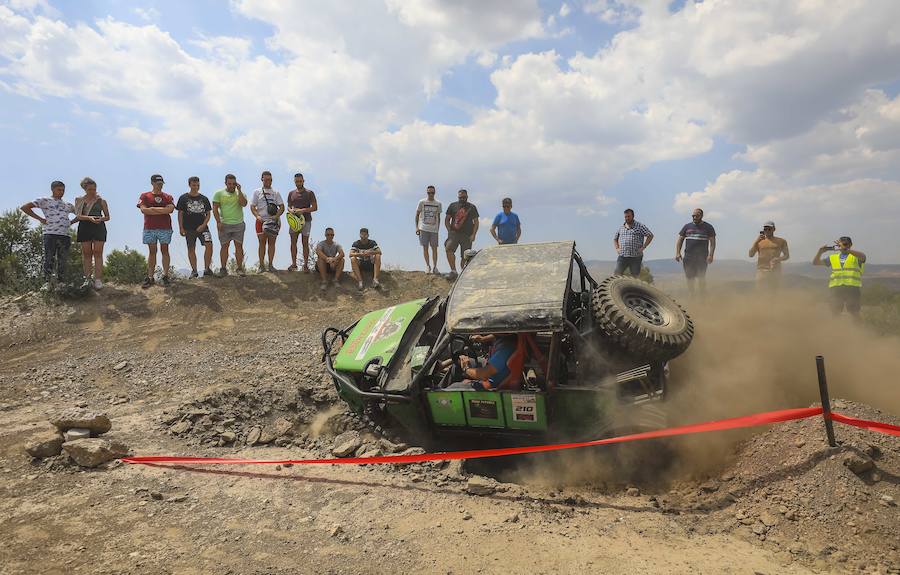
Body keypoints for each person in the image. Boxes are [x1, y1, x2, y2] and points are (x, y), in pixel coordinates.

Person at [20, 181, 76, 289]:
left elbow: (80, 214)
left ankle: (61, 283)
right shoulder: (44, 200)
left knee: (63, 259)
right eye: (59, 189)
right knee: (49, 257)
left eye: (63, 190)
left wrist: (72, 222)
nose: (62, 192)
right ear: (53, 189)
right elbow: (25, 207)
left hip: (65, 235)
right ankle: (47, 283)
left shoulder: (68, 205)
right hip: (50, 233)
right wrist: (40, 219)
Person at [137, 174, 175, 289]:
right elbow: (143, 210)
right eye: (158, 183)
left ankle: (165, 276)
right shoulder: (145, 196)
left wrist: (152, 209)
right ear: (152, 183)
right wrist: (162, 210)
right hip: (150, 228)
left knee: (165, 250)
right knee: (152, 252)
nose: (160, 185)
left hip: (165, 227)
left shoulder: (168, 196)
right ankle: (150, 277)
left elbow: (171, 209)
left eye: (161, 183)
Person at [813, 236, 866, 319]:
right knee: (835, 312)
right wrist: (820, 252)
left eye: (845, 244)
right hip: (836, 288)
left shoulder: (857, 257)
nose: (843, 246)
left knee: (854, 312)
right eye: (841, 245)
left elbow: (863, 256)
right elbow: (815, 262)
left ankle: (859, 330)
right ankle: (836, 330)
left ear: (850, 245)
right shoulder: (833, 257)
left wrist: (846, 249)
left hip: (852, 288)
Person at [445, 334, 518, 390]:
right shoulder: (507, 337)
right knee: (456, 365)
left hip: (491, 384)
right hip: (492, 366)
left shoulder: (505, 349)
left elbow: (483, 375)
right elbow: (495, 335)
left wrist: (466, 368)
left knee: (453, 388)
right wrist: (483, 339)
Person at [74, 177, 110, 290]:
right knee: (86, 253)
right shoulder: (79, 200)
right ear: (85, 189)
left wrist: (100, 219)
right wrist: (89, 218)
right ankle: (87, 279)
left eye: (94, 189)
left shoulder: (101, 200)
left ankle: (98, 279)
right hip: (85, 226)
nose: (92, 191)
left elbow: (107, 217)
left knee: (98, 252)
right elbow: (78, 216)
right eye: (90, 189)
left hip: (98, 226)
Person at [176, 176, 214, 278]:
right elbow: (180, 213)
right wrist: (181, 227)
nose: (196, 187)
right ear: (189, 185)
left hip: (203, 227)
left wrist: (203, 225)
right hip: (188, 228)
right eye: (194, 185)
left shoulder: (204, 198)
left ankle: (207, 269)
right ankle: (194, 271)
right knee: (191, 248)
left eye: (198, 185)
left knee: (209, 245)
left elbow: (208, 214)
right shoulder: (183, 198)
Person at [212, 174, 248, 277]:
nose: (231, 185)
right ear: (225, 183)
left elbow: (244, 204)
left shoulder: (240, 193)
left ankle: (240, 268)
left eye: (233, 183)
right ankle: (223, 269)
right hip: (224, 224)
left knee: (239, 246)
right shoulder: (218, 193)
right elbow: (215, 209)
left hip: (238, 224)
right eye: (229, 183)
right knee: (224, 246)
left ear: (236, 183)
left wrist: (239, 191)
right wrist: (218, 222)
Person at [675, 208, 716, 297]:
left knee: (701, 278)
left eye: (697, 216)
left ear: (701, 216)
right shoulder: (687, 226)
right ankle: (691, 295)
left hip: (702, 257)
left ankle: (702, 296)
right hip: (688, 257)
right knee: (690, 278)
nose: (694, 217)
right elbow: (680, 240)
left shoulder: (708, 227)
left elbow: (712, 242)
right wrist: (678, 253)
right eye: (693, 216)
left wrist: (711, 255)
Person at [250, 171, 285, 272]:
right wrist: (257, 216)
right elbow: (252, 206)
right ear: (262, 179)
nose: (268, 181)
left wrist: (276, 216)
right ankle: (261, 265)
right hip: (261, 220)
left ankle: (270, 265)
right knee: (261, 243)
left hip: (273, 221)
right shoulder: (257, 192)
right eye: (266, 179)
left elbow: (282, 207)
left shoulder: (276, 193)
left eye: (270, 179)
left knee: (272, 243)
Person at [444, 188, 479, 280]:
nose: (462, 199)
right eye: (460, 197)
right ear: (458, 197)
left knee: (466, 256)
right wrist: (449, 231)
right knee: (448, 249)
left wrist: (474, 234)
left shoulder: (472, 207)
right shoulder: (452, 205)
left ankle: (463, 275)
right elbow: (447, 219)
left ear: (467, 197)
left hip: (467, 235)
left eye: (463, 197)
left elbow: (476, 222)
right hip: (454, 233)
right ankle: (453, 271)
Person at [286, 173, 318, 272]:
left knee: (305, 243)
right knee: (293, 242)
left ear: (303, 181)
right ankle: (294, 264)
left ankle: (305, 265)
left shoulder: (309, 193)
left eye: (300, 181)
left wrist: (303, 210)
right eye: (296, 181)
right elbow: (288, 206)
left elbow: (315, 207)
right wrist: (290, 210)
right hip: (294, 222)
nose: (298, 183)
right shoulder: (291, 193)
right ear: (294, 181)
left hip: (306, 221)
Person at [749, 221, 789, 291]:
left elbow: (787, 255)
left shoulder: (781, 241)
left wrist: (778, 259)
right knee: (760, 292)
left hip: (775, 271)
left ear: (774, 229)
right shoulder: (759, 241)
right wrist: (756, 241)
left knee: (774, 293)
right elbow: (751, 254)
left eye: (769, 229)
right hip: (761, 270)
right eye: (765, 229)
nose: (767, 231)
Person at [613, 208, 653, 276]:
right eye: (625, 217)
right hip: (623, 256)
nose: (627, 218)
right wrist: (617, 248)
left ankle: (633, 287)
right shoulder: (621, 227)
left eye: (628, 216)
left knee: (634, 277)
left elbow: (650, 235)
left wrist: (644, 247)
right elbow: (615, 239)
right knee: (616, 274)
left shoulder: (640, 226)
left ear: (633, 216)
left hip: (635, 257)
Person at [415, 185, 441, 274]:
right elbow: (417, 215)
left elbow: (439, 216)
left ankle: (435, 267)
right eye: (429, 193)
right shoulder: (422, 202)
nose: (430, 194)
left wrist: (438, 228)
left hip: (434, 229)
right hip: (423, 228)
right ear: (427, 193)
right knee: (425, 248)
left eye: (432, 193)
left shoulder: (438, 203)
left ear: (434, 193)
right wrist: (417, 227)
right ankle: (427, 266)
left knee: (434, 248)